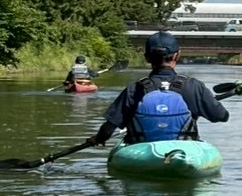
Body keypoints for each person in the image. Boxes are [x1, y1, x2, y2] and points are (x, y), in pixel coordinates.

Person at [90, 32, 229, 146]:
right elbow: (221, 116)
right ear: (177, 55)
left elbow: (108, 128)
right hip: (185, 150)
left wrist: (98, 139)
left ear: (147, 58)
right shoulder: (194, 86)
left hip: (142, 151)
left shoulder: (134, 89)